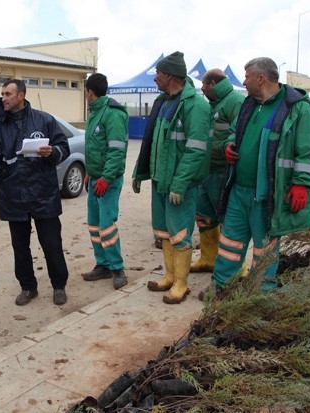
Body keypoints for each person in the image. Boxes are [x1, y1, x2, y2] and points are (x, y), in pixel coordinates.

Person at [210, 57, 310, 293]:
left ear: (260, 78)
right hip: (238, 191)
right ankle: (220, 287)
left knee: (264, 250)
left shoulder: (296, 108)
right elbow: (234, 132)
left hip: (267, 194)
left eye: (247, 76)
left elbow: (308, 153)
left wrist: (301, 184)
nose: (244, 81)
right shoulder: (249, 104)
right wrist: (229, 144)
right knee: (229, 244)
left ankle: (260, 294)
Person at [0, 79, 70, 306]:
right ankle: (28, 287)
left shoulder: (45, 120)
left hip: (43, 194)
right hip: (14, 196)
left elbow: (63, 148)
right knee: (20, 248)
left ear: (21, 95)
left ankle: (59, 286)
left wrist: (52, 152)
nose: (4, 98)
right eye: (2, 94)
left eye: (8, 94)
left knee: (51, 244)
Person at [132, 51, 211, 304]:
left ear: (169, 75)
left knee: (179, 234)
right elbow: (150, 143)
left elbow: (196, 149)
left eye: (158, 73)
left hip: (180, 185)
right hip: (160, 181)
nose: (155, 78)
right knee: (164, 233)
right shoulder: (164, 102)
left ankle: (181, 283)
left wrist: (180, 182)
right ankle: (169, 276)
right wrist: (140, 173)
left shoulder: (196, 106)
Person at [191, 69, 245, 274]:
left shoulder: (235, 101)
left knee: (227, 220)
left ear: (212, 83)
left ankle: (237, 268)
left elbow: (237, 134)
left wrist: (217, 146)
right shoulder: (211, 105)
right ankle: (208, 258)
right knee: (204, 215)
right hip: (206, 170)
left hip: (222, 171)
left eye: (204, 86)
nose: (202, 90)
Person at [80, 73, 129, 289]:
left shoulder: (113, 114)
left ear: (90, 91)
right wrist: (91, 172)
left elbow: (116, 151)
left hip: (108, 182)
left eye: (85, 91)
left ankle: (118, 268)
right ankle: (103, 265)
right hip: (95, 179)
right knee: (94, 225)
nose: (85, 95)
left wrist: (107, 177)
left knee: (106, 226)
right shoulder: (94, 113)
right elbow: (95, 148)